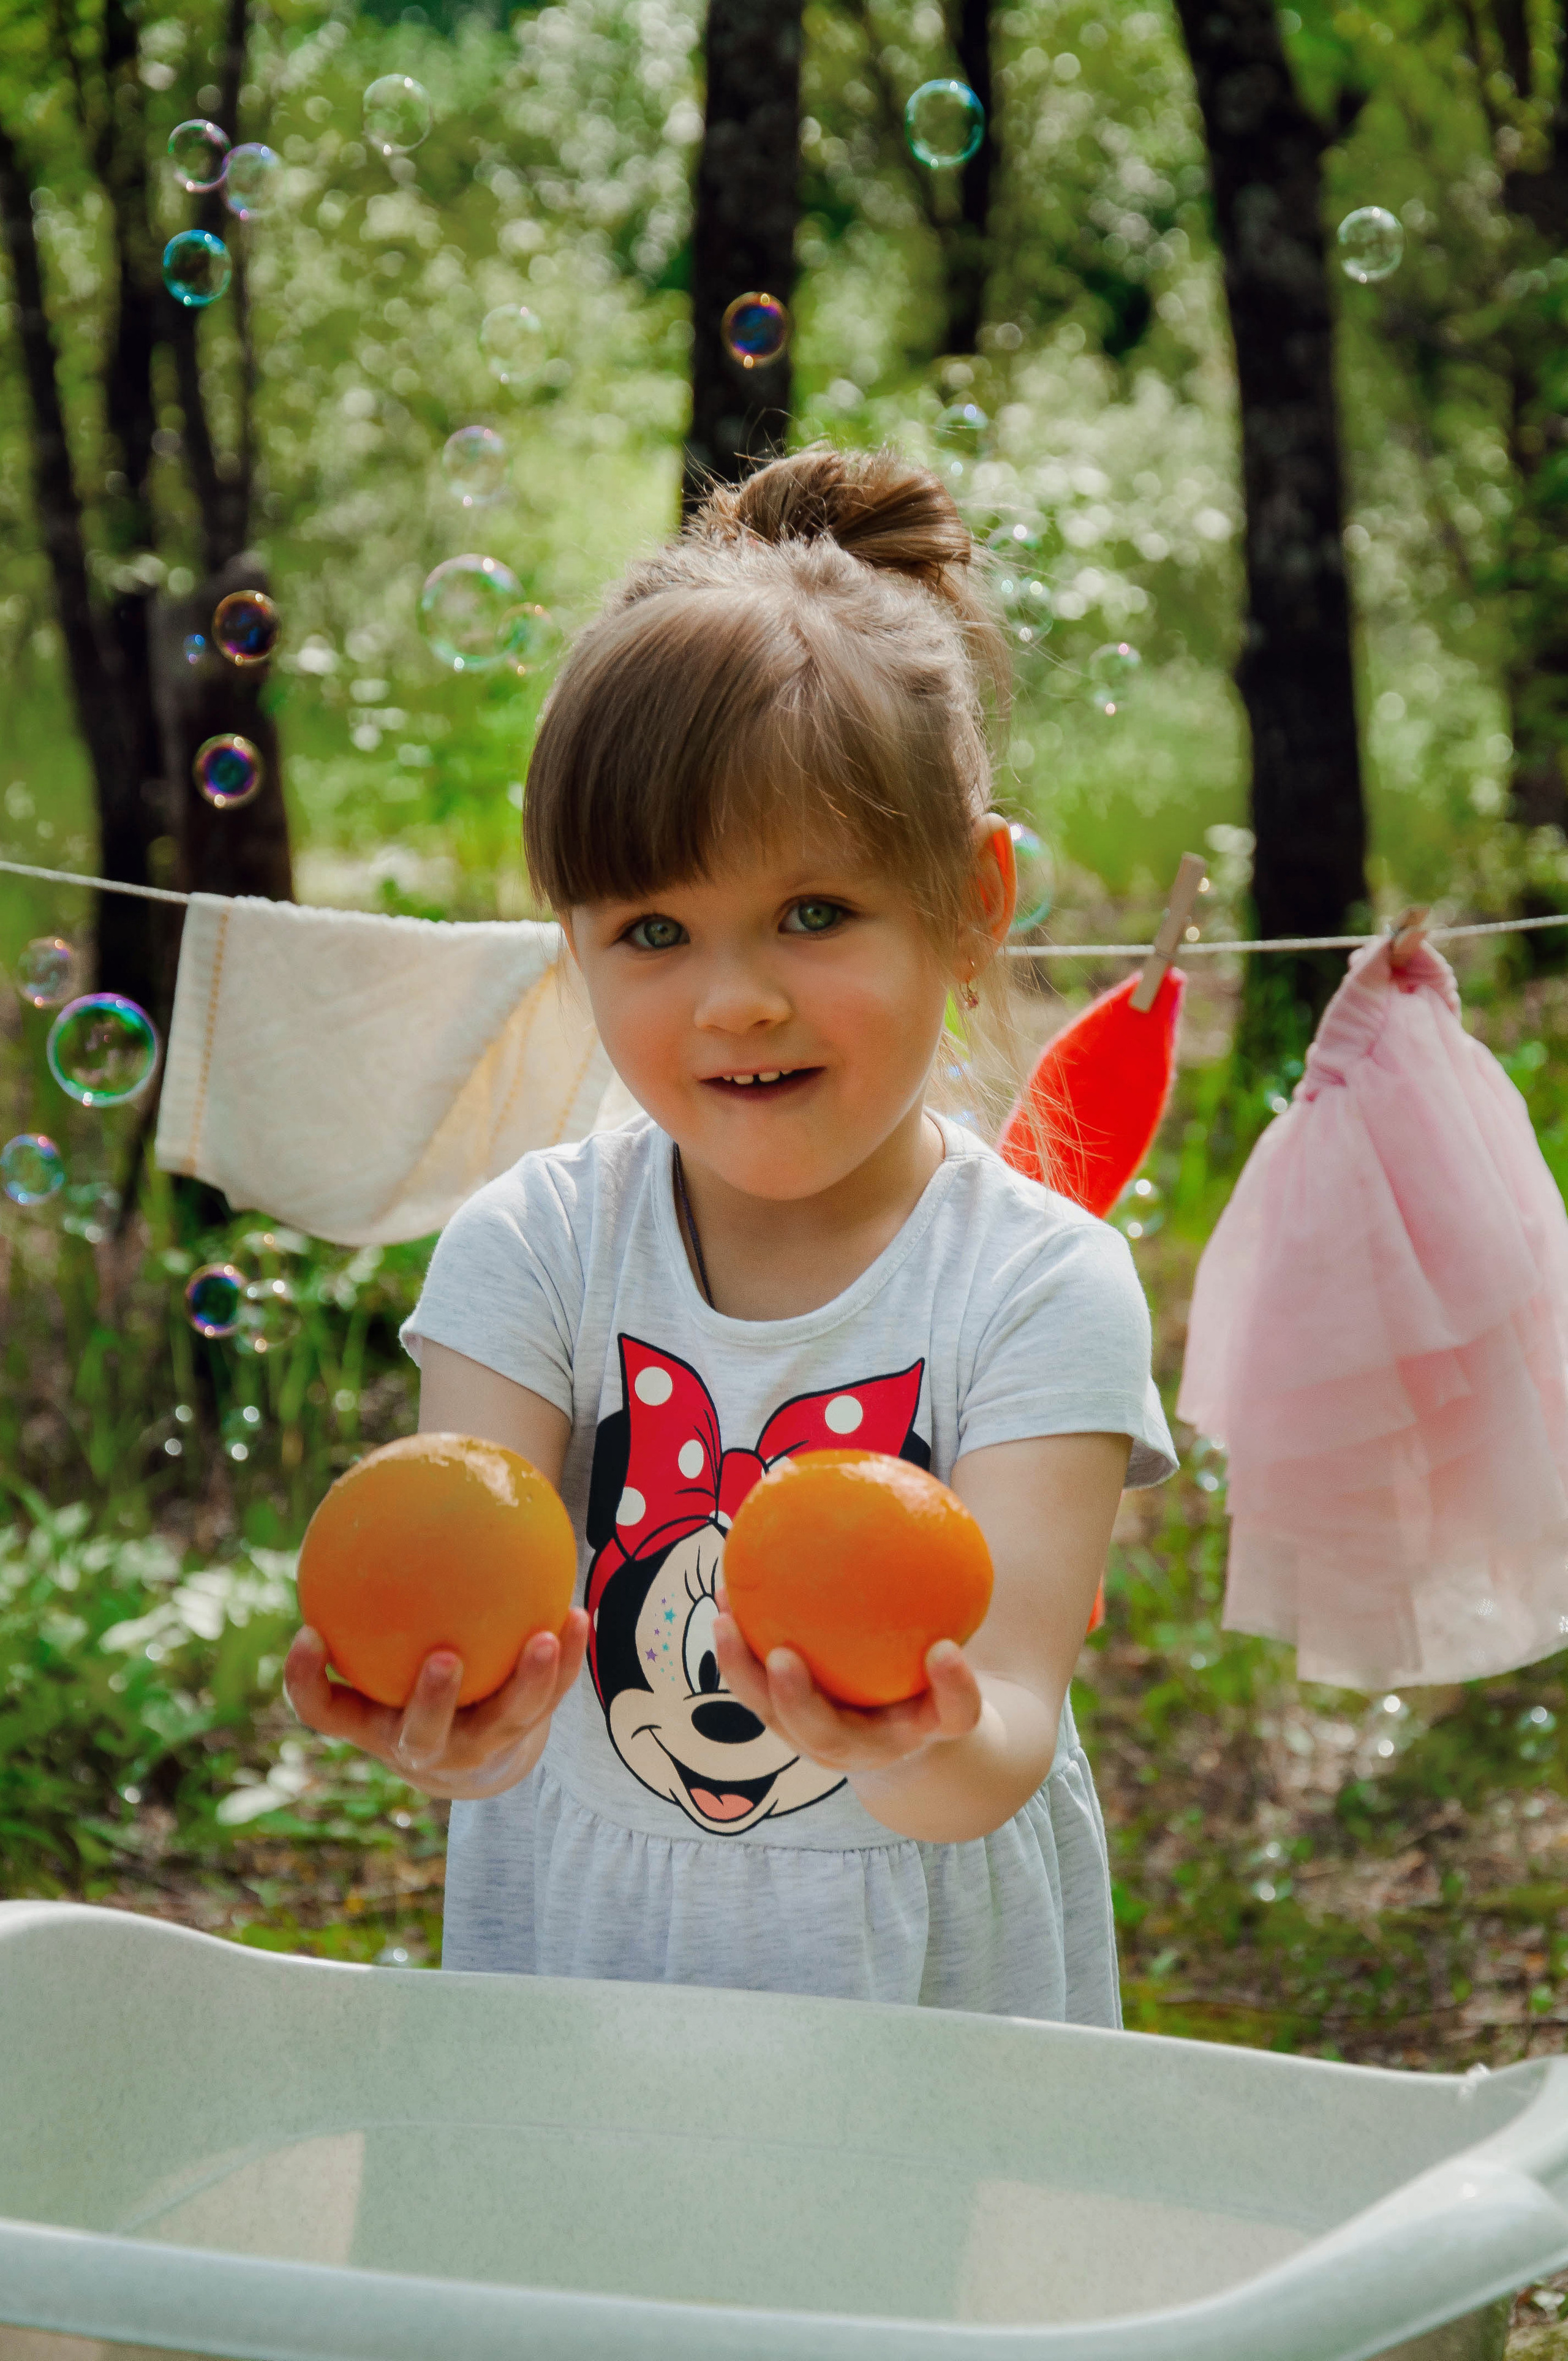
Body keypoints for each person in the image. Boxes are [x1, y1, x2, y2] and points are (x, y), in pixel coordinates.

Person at [284, 445, 1176, 2022]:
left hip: (920, 2008)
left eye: (812, 914)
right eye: (653, 930)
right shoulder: (532, 1253)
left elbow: (1006, 1727)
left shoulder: (1037, 1285)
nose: (736, 999)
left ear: (971, 903)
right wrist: (459, 1725)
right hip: (588, 1981)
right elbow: (484, 1620)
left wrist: (914, 1740)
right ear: (572, 943)